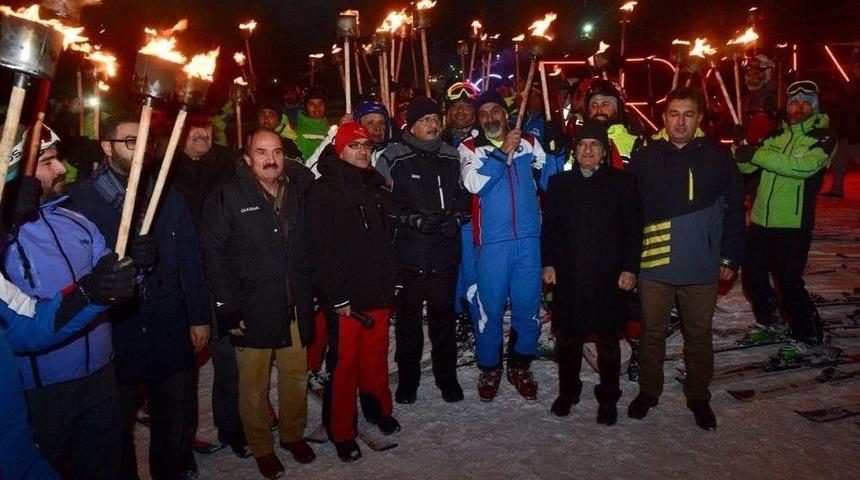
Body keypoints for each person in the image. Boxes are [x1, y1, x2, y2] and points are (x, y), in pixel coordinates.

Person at [1, 125, 152, 479]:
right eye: (48, 161)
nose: (62, 169)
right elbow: (26, 324)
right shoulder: (5, 241)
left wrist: (136, 268)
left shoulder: (76, 222)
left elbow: (109, 284)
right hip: (41, 392)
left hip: (100, 377)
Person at [67, 111, 211, 479]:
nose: (141, 149)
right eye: (131, 141)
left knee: (173, 412)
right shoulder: (81, 203)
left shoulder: (166, 194)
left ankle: (172, 467)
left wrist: (198, 315)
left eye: (146, 141)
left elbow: (190, 259)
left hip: (167, 323)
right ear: (107, 146)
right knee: (118, 422)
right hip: (115, 330)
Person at [626, 88, 745, 431]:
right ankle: (649, 391)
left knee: (698, 334)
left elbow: (735, 210)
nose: (680, 121)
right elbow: (630, 212)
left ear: (699, 118)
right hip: (655, 260)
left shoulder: (718, 158)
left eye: (688, 114)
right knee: (651, 332)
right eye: (674, 113)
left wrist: (731, 255)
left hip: (702, 261)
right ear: (663, 118)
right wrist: (627, 258)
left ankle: (698, 396)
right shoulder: (646, 157)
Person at [202, 128, 316, 479]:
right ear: (248, 158)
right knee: (253, 384)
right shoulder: (227, 196)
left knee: (296, 375)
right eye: (262, 152)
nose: (271, 159)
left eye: (277, 152)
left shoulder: (297, 191)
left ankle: (293, 435)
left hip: (293, 301)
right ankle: (262, 446)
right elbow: (214, 254)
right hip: (251, 306)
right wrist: (227, 306)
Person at [458, 91, 562, 402]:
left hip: (529, 242)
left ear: (506, 114)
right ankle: (489, 367)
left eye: (496, 112)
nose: (490, 118)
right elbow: (474, 184)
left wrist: (557, 149)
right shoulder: (469, 148)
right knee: (488, 310)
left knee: (527, 309)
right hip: (492, 244)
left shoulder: (529, 142)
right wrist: (503, 152)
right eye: (484, 114)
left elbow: (551, 183)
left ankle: (520, 364)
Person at [306, 122, 399, 462]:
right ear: (339, 149)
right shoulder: (324, 191)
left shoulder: (377, 187)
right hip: (347, 299)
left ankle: (377, 409)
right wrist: (337, 296)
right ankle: (340, 428)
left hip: (379, 291)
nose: (362, 150)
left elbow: (390, 241)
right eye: (354, 145)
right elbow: (321, 250)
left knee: (375, 358)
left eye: (366, 145)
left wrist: (395, 280)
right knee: (344, 365)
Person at [541, 121, 642, 426]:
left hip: (608, 275)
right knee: (568, 339)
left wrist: (629, 268)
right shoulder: (559, 184)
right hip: (570, 274)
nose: (588, 150)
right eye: (582, 144)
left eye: (594, 145)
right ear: (574, 149)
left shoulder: (624, 183)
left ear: (603, 151)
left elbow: (633, 231)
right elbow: (551, 230)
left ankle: (608, 396)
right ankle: (568, 390)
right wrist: (549, 263)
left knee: (608, 341)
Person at [170, 113, 252, 458]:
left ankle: (232, 427)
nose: (201, 133)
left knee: (228, 358)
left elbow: (269, 166)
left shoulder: (225, 163)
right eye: (191, 128)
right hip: (180, 282)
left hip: (220, 276)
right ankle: (180, 445)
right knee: (182, 369)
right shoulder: (163, 172)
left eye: (205, 126)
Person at [378, 98, 470, 404]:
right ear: (412, 125)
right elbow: (382, 203)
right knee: (408, 324)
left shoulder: (451, 155)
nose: (433, 124)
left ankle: (448, 379)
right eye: (426, 119)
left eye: (436, 118)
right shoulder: (392, 157)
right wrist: (408, 219)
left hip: (444, 252)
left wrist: (457, 219)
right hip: (409, 255)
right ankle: (408, 381)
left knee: (444, 321)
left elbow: (463, 196)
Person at [737, 80, 837, 359]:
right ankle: (771, 321)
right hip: (760, 221)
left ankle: (809, 335)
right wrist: (742, 146)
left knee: (788, 281)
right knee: (753, 276)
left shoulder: (823, 138)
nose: (800, 107)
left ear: (815, 106)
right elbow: (747, 165)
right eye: (794, 101)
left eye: (807, 102)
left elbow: (801, 167)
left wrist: (758, 153)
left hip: (793, 224)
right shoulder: (774, 138)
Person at [823, 61, 860, 198]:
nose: (855, 70)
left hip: (855, 132)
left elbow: (850, 106)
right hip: (846, 132)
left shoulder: (853, 88)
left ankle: (837, 190)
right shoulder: (851, 85)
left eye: (857, 68)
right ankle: (837, 190)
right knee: (838, 162)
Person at [584, 79, 641, 169]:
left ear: (618, 108)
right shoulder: (579, 144)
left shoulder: (636, 144)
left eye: (605, 105)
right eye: (594, 106)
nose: (599, 110)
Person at [293, 86, 332, 161]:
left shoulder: (331, 131)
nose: (316, 108)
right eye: (311, 104)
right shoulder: (298, 133)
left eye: (320, 103)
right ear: (305, 107)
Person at [441, 81, 479, 148]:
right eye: (455, 105)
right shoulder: (438, 141)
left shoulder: (482, 140)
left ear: (474, 111)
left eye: (467, 106)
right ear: (448, 111)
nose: (460, 110)